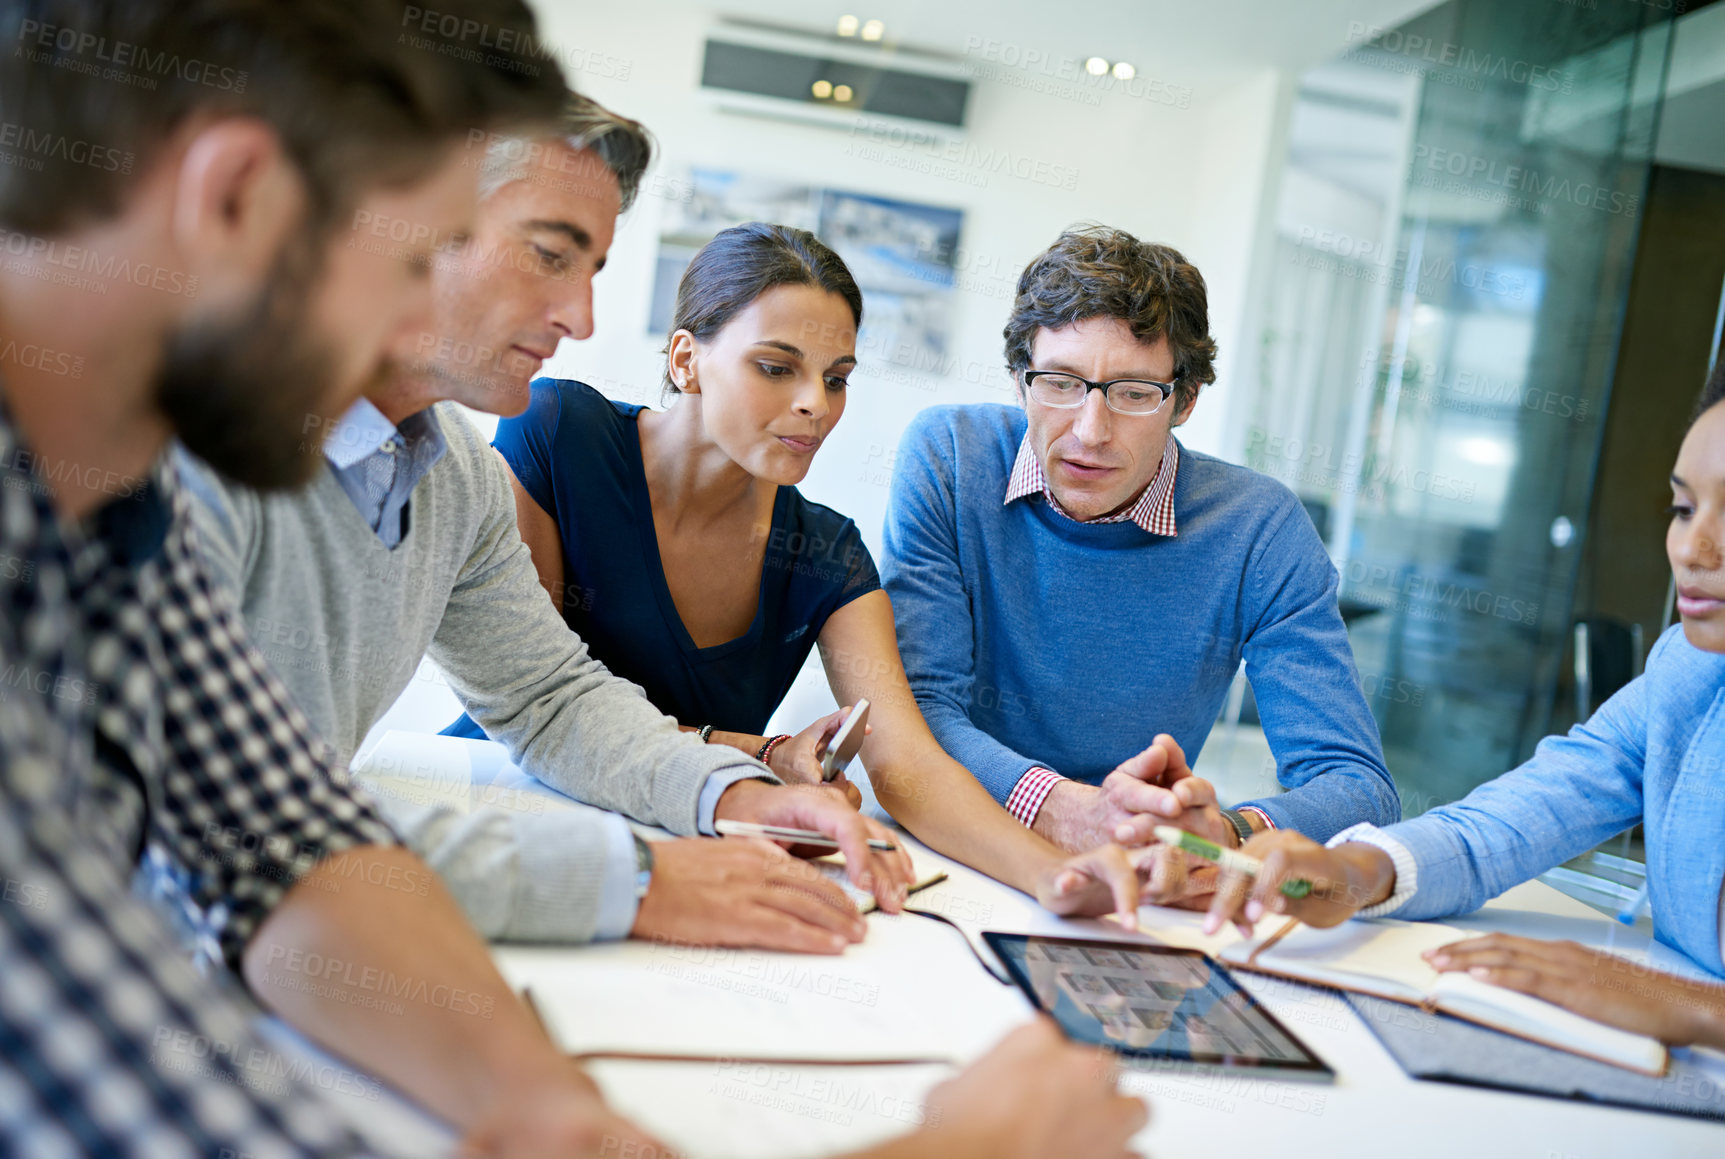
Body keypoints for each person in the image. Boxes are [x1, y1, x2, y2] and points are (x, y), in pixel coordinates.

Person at [0, 5, 1151, 1156]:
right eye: (428, 245)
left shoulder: (109, 520)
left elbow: (280, 832)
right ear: (241, 198)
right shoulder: (157, 483)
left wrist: (546, 1109)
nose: (580, 317)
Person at [181, 95, 921, 953]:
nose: (583, 319)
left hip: (284, 934)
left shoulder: (453, 476)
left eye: (593, 271)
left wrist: (735, 792)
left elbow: (549, 696)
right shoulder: (191, 440)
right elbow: (232, 815)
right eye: (548, 256)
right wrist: (635, 880)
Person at [457, 218, 1159, 921]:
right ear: (684, 359)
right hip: (499, 815)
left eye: (835, 378)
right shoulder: (556, 433)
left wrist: (1052, 874)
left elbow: (907, 765)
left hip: (692, 853)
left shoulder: (827, 552)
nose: (814, 405)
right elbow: (540, 700)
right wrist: (761, 751)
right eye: (775, 366)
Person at [1200, 357, 1725, 1050]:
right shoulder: (1688, 676)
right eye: (1682, 508)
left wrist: (1689, 1007)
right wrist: (1356, 872)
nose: (1692, 546)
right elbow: (1505, 824)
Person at [881, 225, 1399, 892]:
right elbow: (918, 710)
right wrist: (1064, 807)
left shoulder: (1258, 527)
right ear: (1019, 381)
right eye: (1060, 384)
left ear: (1183, 399)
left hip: (1143, 878)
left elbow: (1357, 783)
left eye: (1132, 394)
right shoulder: (950, 457)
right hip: (949, 851)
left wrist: (1230, 833)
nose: (1089, 432)